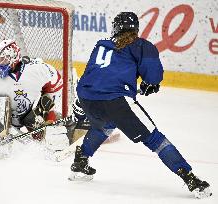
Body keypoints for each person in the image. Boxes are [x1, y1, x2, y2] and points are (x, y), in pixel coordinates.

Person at [68, 12, 212, 199]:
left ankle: (80, 161)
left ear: (115, 28)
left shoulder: (101, 44)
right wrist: (147, 85)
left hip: (87, 97)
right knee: (155, 140)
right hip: (117, 101)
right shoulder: (141, 45)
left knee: (104, 124)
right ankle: (190, 177)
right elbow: (153, 77)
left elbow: (96, 74)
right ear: (135, 29)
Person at [0, 39, 68, 150]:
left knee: (45, 105)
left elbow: (56, 83)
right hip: (8, 117)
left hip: (29, 113)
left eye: (2, 59)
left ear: (13, 57)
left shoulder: (37, 69)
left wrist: (48, 112)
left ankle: (48, 134)